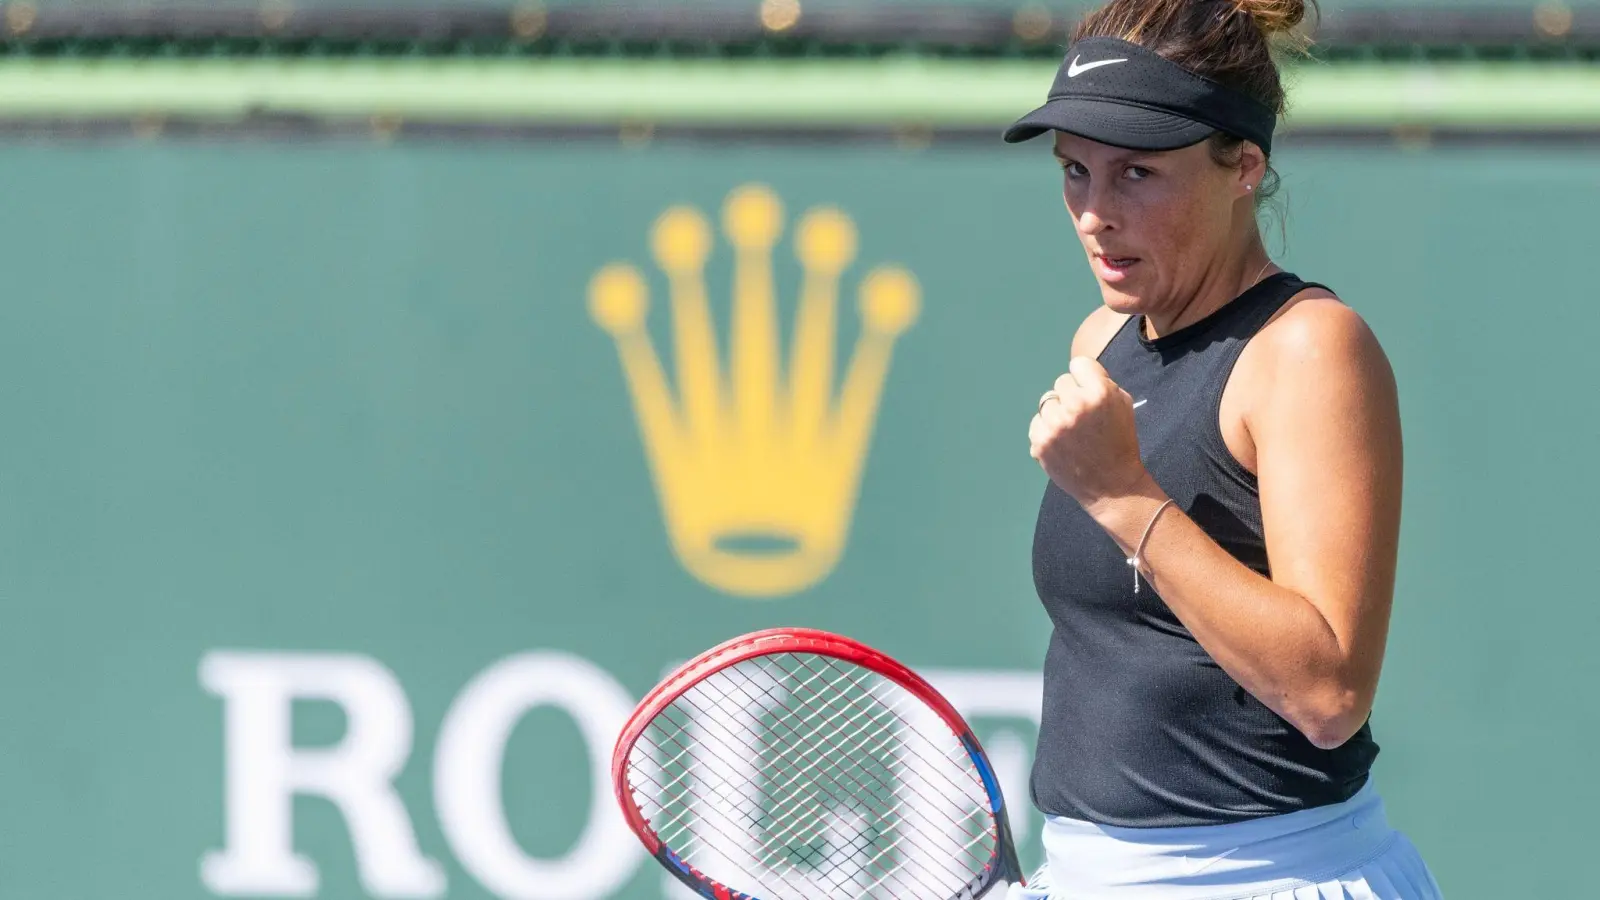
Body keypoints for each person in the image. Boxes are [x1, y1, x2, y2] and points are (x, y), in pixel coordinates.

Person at [1002, 0, 1444, 897]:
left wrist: (1124, 496)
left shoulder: (1309, 350)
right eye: (1075, 171)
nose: (1094, 213)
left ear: (1243, 166)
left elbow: (1328, 695)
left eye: (1136, 174)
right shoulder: (1100, 342)